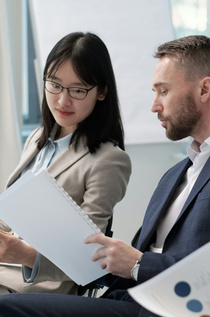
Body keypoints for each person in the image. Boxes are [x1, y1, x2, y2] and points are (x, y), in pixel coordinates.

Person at [0, 35, 210, 317]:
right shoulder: (175, 175)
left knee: (6, 309)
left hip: (166, 313)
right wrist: (100, 255)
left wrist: (137, 263)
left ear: (204, 89)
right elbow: (125, 266)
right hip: (122, 300)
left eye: (164, 91)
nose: (154, 105)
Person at [0, 32, 131, 295]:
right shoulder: (38, 138)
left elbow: (88, 258)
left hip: (37, 289)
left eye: (78, 90)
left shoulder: (109, 160)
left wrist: (26, 255)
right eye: (55, 85)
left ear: (102, 92)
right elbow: (11, 215)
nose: (62, 100)